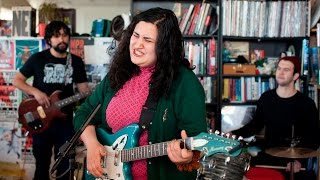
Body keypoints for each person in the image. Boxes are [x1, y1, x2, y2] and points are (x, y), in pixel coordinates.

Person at [73, 7, 207, 180]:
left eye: (148, 40)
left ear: (163, 47)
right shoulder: (118, 74)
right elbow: (84, 113)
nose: (137, 44)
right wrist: (92, 144)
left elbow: (198, 142)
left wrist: (188, 156)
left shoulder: (185, 83)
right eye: (135, 36)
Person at [13, 21, 90, 180]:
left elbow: (84, 90)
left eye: (64, 35)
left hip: (66, 123)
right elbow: (17, 80)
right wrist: (35, 91)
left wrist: (90, 94)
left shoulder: (75, 61)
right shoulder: (37, 59)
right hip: (39, 120)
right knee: (41, 166)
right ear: (49, 39)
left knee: (65, 167)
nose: (62, 39)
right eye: (56, 36)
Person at [233, 56, 320, 179]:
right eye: (279, 68)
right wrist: (233, 134)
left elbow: (314, 138)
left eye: (286, 70)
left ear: (295, 76)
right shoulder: (266, 98)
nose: (281, 72)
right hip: (268, 157)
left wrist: (300, 161)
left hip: (294, 162)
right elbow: (255, 126)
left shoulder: (306, 104)